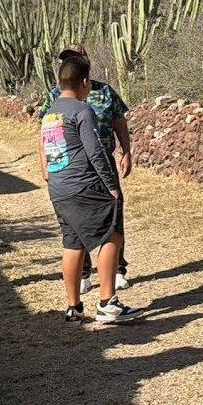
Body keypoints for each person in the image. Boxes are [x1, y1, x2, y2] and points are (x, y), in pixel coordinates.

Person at [40, 54, 141, 324]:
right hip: (85, 184)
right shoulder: (82, 110)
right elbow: (95, 151)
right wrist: (111, 186)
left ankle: (74, 308)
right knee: (112, 236)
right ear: (85, 82)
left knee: (73, 243)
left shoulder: (50, 113)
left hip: (60, 188)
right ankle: (108, 303)